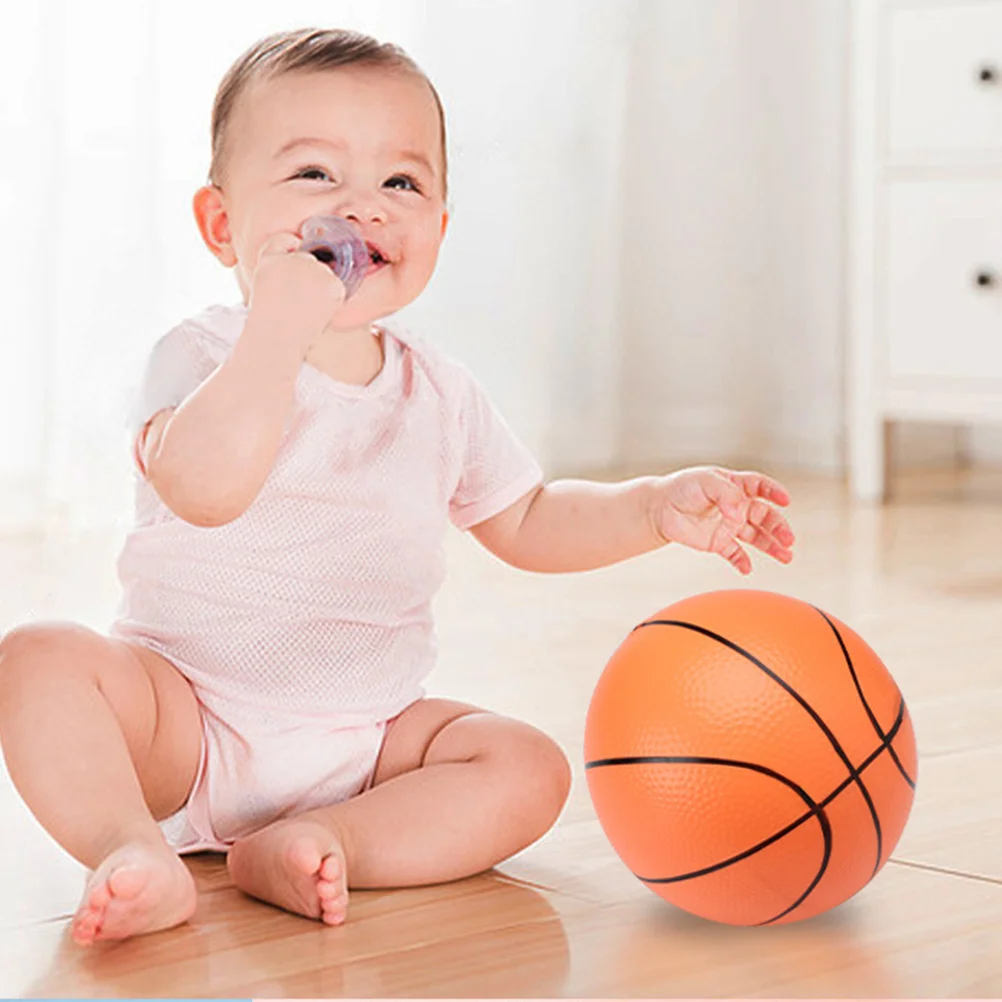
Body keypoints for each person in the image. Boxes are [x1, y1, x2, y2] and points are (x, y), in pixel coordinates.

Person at [0, 27, 796, 946]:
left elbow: (529, 520)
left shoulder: (440, 390)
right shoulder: (202, 355)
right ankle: (129, 848)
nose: (361, 210)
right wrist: (279, 331)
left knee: (525, 767)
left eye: (401, 185)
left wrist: (652, 507)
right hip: (183, 721)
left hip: (366, 741)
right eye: (313, 176)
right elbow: (205, 488)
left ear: (441, 229)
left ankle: (321, 841)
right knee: (40, 659)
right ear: (222, 225)